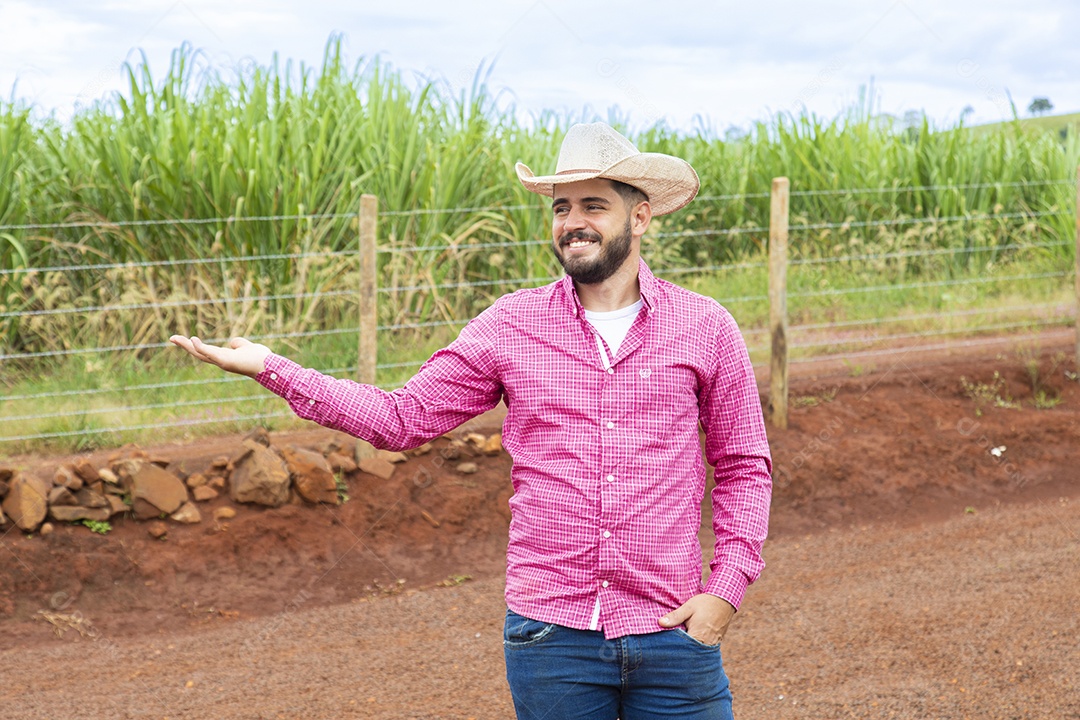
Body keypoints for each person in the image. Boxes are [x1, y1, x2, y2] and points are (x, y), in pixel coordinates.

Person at [170, 122, 772, 719]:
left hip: (672, 634)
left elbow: (744, 465)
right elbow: (402, 418)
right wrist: (270, 367)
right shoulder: (511, 325)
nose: (572, 221)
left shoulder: (705, 327)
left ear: (639, 218)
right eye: (561, 207)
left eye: (594, 204)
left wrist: (725, 592)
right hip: (552, 639)